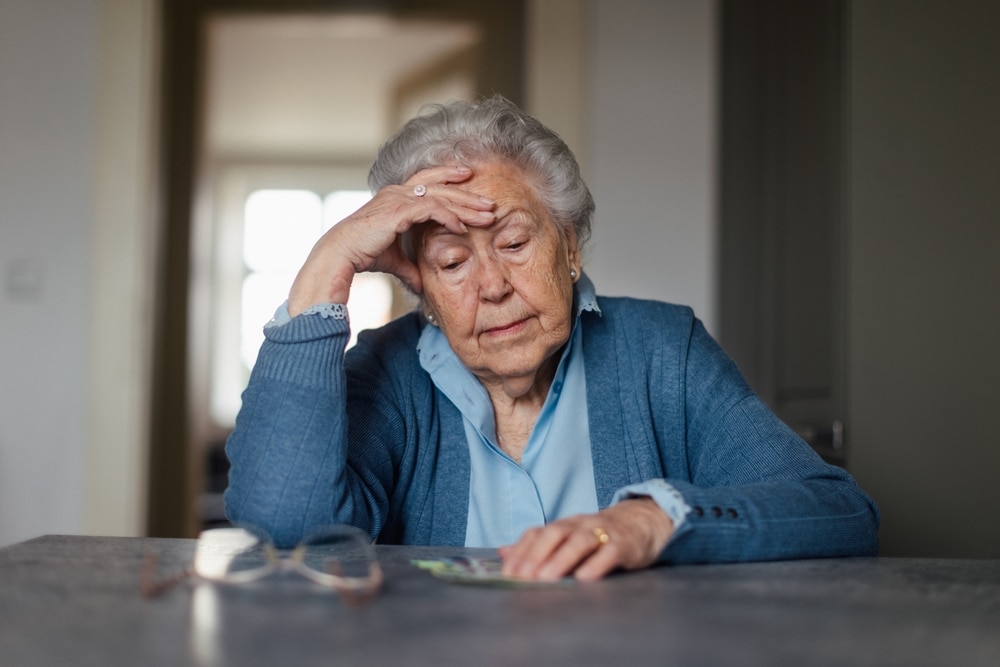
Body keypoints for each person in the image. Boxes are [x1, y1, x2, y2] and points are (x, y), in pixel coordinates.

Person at [224, 95, 879, 581]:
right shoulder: (387, 372)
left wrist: (653, 519)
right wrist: (322, 273)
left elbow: (835, 509)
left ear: (569, 244)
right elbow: (284, 525)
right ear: (419, 281)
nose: (492, 286)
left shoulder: (661, 353)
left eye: (513, 241)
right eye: (451, 262)